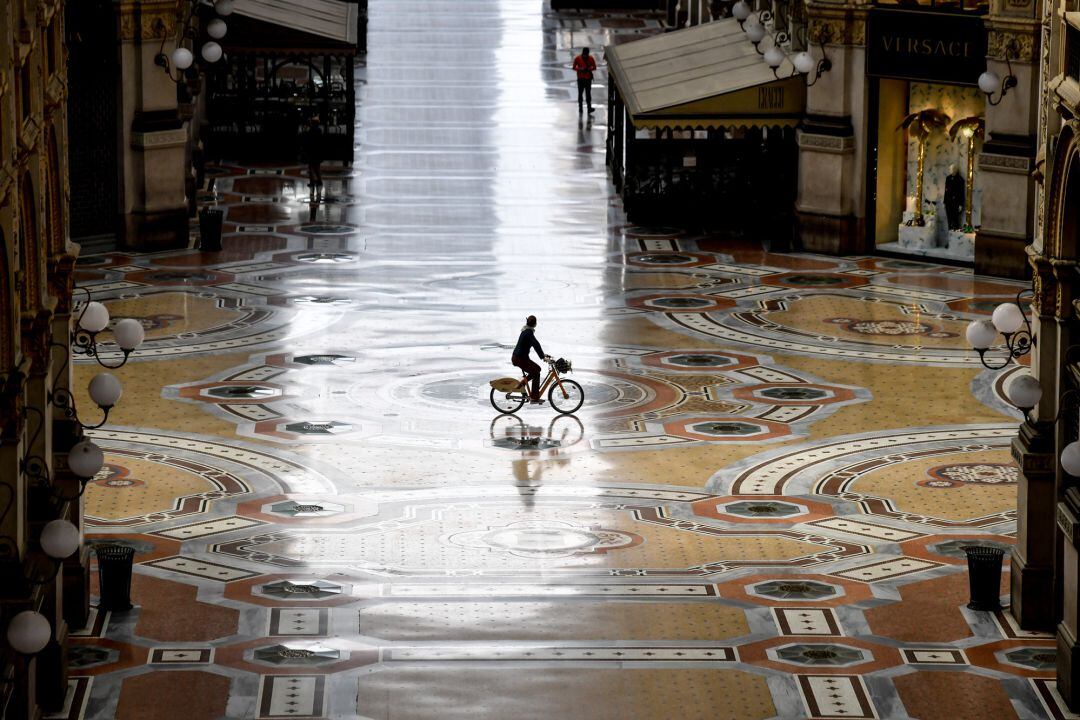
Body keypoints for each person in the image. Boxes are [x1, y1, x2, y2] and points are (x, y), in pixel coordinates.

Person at [512, 315, 546, 403]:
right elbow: (536, 344)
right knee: (535, 373)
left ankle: (520, 385)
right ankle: (534, 397)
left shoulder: (526, 331)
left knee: (538, 369)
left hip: (521, 358)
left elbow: (535, 344)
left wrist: (543, 355)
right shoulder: (528, 332)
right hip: (520, 359)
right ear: (535, 324)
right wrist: (543, 357)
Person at [301, 117, 325, 197]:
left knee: (311, 168)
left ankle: (313, 182)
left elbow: (307, 140)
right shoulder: (319, 131)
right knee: (316, 168)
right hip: (317, 152)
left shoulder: (311, 131)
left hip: (312, 152)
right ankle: (319, 182)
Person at [573, 48, 597, 114]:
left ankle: (587, 108)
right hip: (581, 79)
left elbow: (594, 67)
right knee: (582, 94)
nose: (586, 56)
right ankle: (582, 108)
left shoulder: (590, 58)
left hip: (587, 79)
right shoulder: (578, 58)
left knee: (587, 94)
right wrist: (581, 69)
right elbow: (574, 67)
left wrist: (589, 69)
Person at [944, 163, 965, 231]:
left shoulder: (960, 180)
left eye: (951, 169)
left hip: (956, 203)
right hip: (948, 202)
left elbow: (961, 193)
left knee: (955, 220)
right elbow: (946, 191)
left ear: (955, 170)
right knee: (949, 220)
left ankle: (955, 237)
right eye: (949, 169)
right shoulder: (948, 178)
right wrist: (945, 202)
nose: (949, 170)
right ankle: (949, 233)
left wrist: (961, 204)